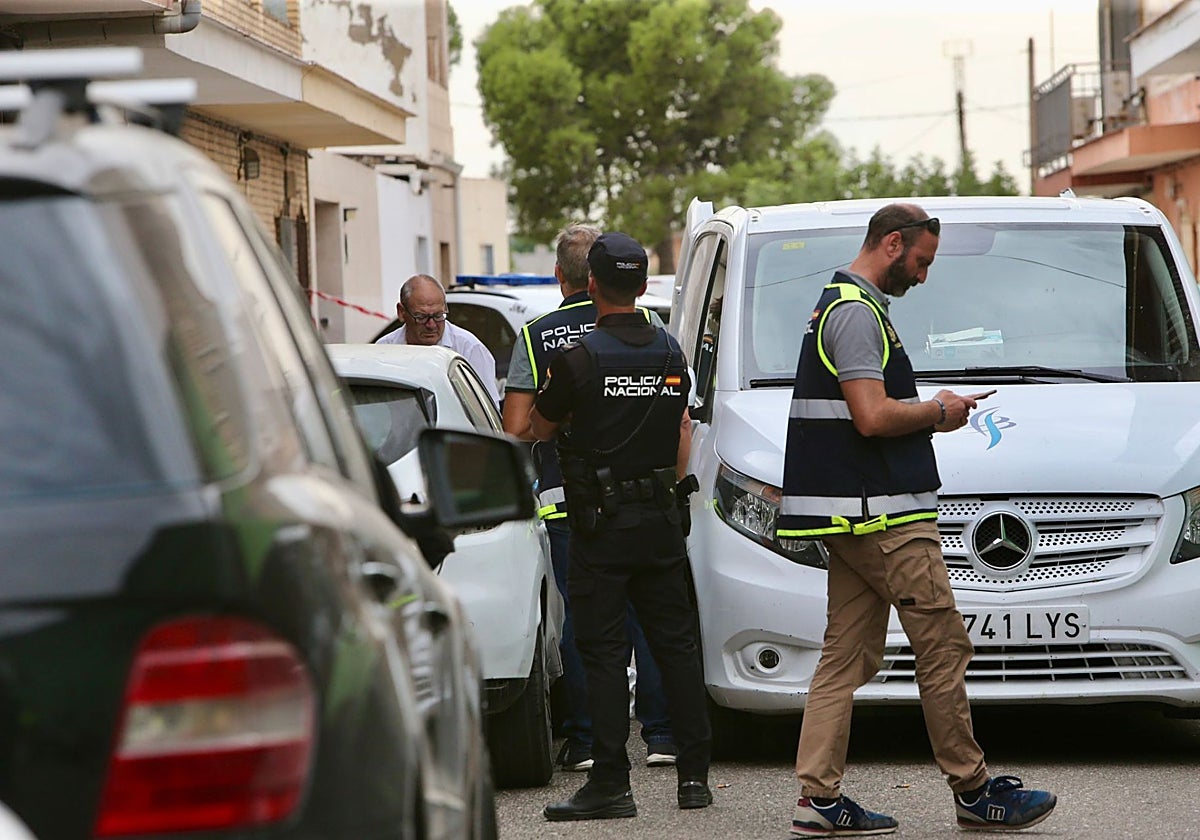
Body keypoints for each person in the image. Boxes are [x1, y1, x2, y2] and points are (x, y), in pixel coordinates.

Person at [778, 203, 1057, 837]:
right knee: (943, 647)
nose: (924, 276)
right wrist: (938, 410)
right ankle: (975, 790)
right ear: (893, 243)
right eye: (922, 261)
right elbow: (871, 416)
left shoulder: (844, 305)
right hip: (886, 519)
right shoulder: (855, 312)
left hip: (856, 518)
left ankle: (816, 800)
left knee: (844, 657)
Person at [533, 232, 711, 821]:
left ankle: (611, 783)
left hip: (600, 527)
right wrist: (676, 487)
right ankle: (694, 779)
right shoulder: (670, 353)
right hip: (660, 520)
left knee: (606, 653)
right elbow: (683, 430)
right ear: (641, 287)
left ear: (590, 285)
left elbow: (535, 427)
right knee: (677, 647)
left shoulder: (576, 359)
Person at [503, 223, 678, 773]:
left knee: (584, 619)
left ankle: (583, 742)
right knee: (648, 614)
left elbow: (516, 427)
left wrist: (561, 413)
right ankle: (662, 734)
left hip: (567, 502)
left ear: (561, 276)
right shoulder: (651, 329)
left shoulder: (537, 335)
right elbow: (680, 416)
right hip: (647, 495)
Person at [376, 273, 500, 405]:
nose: (431, 325)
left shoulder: (469, 349)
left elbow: (488, 412)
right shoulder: (384, 351)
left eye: (438, 315)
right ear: (401, 312)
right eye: (421, 317)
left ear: (445, 308)